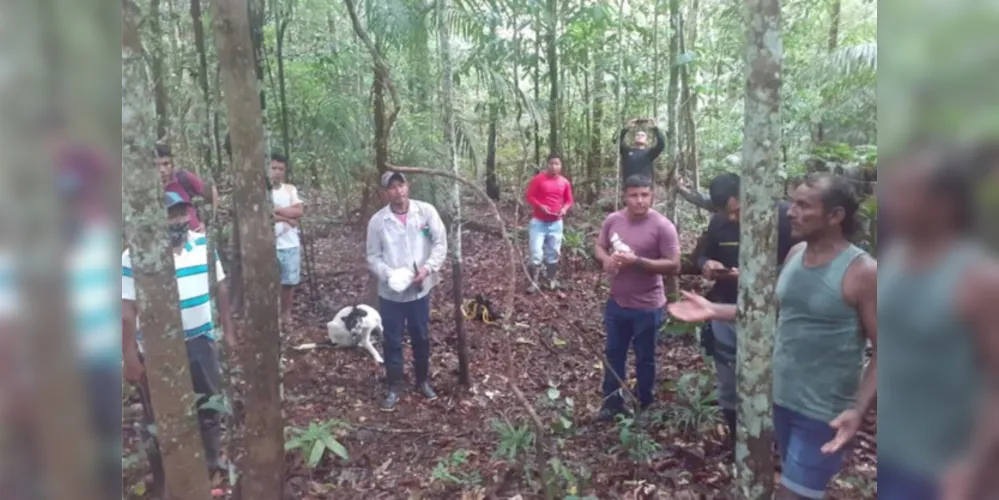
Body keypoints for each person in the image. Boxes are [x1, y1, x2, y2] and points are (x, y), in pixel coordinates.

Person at [668, 173, 877, 500]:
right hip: (780, 402)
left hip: (824, 414)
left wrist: (859, 408)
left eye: (803, 205)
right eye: (792, 202)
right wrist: (714, 310)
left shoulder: (862, 271)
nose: (790, 211)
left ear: (835, 216)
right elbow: (771, 310)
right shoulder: (795, 255)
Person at [875, 147, 999, 500]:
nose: (890, 200)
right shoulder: (896, 259)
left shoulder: (979, 278)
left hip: (937, 470)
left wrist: (974, 466)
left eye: (905, 191)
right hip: (891, 452)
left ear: (944, 204)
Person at [121, 192, 237, 493]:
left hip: (201, 340)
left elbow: (220, 288)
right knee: (158, 416)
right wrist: (130, 356)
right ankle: (163, 479)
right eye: (170, 215)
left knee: (209, 406)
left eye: (181, 214)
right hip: (158, 349)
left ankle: (210, 467)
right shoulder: (134, 255)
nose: (177, 221)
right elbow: (127, 309)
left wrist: (228, 329)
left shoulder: (203, 247)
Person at [696, 172, 797, 449]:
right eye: (725, 213)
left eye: (737, 211)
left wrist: (759, 278)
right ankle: (736, 443)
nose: (732, 219)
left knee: (774, 383)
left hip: (775, 317)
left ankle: (774, 445)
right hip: (725, 309)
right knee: (729, 384)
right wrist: (708, 264)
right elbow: (701, 255)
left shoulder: (787, 220)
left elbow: (803, 268)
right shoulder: (719, 223)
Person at [594, 175, 681, 421]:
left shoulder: (663, 226)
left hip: (648, 306)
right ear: (625, 196)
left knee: (645, 357)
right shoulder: (613, 220)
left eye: (644, 195)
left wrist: (638, 261)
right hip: (617, 302)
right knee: (614, 355)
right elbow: (599, 246)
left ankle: (644, 403)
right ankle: (611, 405)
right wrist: (606, 259)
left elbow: (674, 265)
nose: (639, 201)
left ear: (652, 195)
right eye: (634, 195)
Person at [366, 171, 448, 412]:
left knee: (420, 335)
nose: (398, 191)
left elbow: (440, 242)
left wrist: (428, 268)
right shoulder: (378, 222)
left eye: (401, 185)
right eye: (392, 187)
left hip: (419, 290)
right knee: (392, 338)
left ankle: (422, 380)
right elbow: (372, 257)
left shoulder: (425, 212)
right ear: (386, 193)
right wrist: (389, 275)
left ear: (407, 187)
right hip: (390, 293)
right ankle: (394, 385)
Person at [524, 152, 574, 293]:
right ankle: (534, 282)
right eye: (551, 163)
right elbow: (529, 196)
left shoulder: (564, 182)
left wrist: (564, 209)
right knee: (536, 252)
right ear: (547, 164)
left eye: (557, 163)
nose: (554, 166)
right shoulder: (538, 179)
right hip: (538, 222)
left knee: (553, 253)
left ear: (561, 165)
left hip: (556, 223)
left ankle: (551, 280)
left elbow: (569, 200)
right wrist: (540, 206)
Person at [270, 152, 305, 326]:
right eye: (273, 168)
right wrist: (286, 218)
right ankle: (273, 316)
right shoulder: (262, 192)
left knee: (289, 282)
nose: (276, 172)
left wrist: (276, 210)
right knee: (272, 283)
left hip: (290, 244)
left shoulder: (289, 189)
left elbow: (299, 211)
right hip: (270, 245)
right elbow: (265, 215)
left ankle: (286, 314)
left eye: (280, 169)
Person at [155, 144, 219, 232]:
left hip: (194, 238)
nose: (162, 169)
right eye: (157, 165)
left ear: (172, 164)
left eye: (166, 164)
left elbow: (211, 192)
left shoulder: (182, 178)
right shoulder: (148, 190)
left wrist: (209, 223)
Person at [618, 118, 665, 182]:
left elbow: (661, 144)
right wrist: (626, 128)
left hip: (645, 187)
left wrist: (655, 128)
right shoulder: (627, 151)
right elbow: (617, 142)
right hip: (629, 187)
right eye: (637, 135)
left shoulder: (649, 153)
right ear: (634, 138)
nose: (640, 136)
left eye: (642, 135)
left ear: (646, 140)